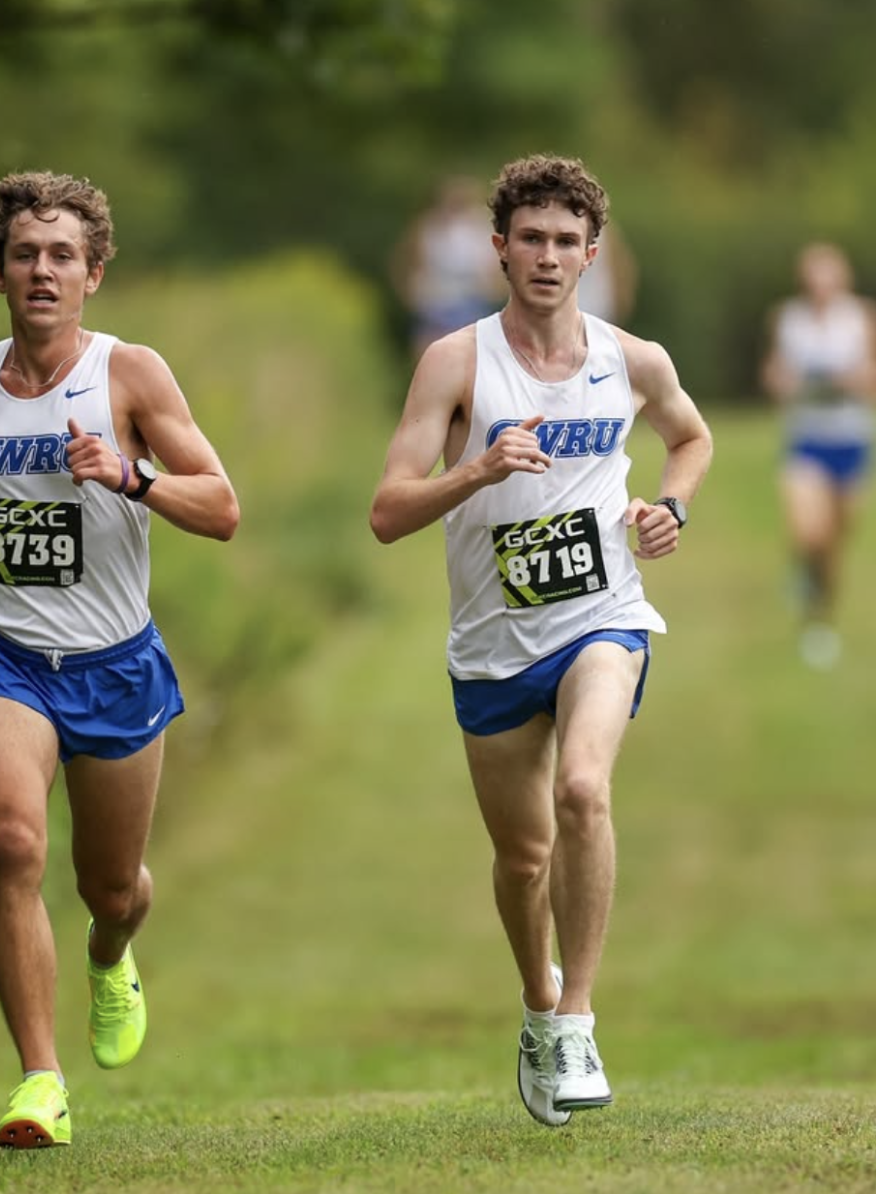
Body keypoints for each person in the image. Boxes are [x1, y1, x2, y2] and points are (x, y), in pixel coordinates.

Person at [0, 171, 239, 1148]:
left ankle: (112, 950)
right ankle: (40, 1082)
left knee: (109, 889)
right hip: (3, 656)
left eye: (63, 256)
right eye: (26, 253)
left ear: (94, 273)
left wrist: (128, 474)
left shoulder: (131, 376)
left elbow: (222, 505)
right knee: (11, 841)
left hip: (115, 664)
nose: (43, 270)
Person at [370, 154, 712, 1126]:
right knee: (523, 861)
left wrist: (673, 511)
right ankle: (536, 1003)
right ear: (499, 249)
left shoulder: (632, 358)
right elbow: (388, 512)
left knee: (583, 789)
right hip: (491, 645)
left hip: (603, 616)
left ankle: (577, 1021)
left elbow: (691, 437)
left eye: (568, 241)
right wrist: (473, 473)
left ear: (593, 254)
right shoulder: (455, 362)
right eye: (532, 239)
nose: (550, 257)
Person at [760, 241, 876, 669]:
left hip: (851, 441)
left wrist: (853, 381)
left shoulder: (860, 318)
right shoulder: (788, 319)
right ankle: (814, 621)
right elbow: (773, 373)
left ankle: (821, 604)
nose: (821, 287)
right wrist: (784, 382)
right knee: (810, 531)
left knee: (834, 543)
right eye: (814, 279)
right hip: (806, 441)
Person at [391, 174, 507, 361]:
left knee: (469, 362)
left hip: (471, 303)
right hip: (433, 304)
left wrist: (494, 290)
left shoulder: (482, 228)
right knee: (429, 359)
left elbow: (498, 268)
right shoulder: (427, 226)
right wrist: (410, 294)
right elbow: (405, 262)